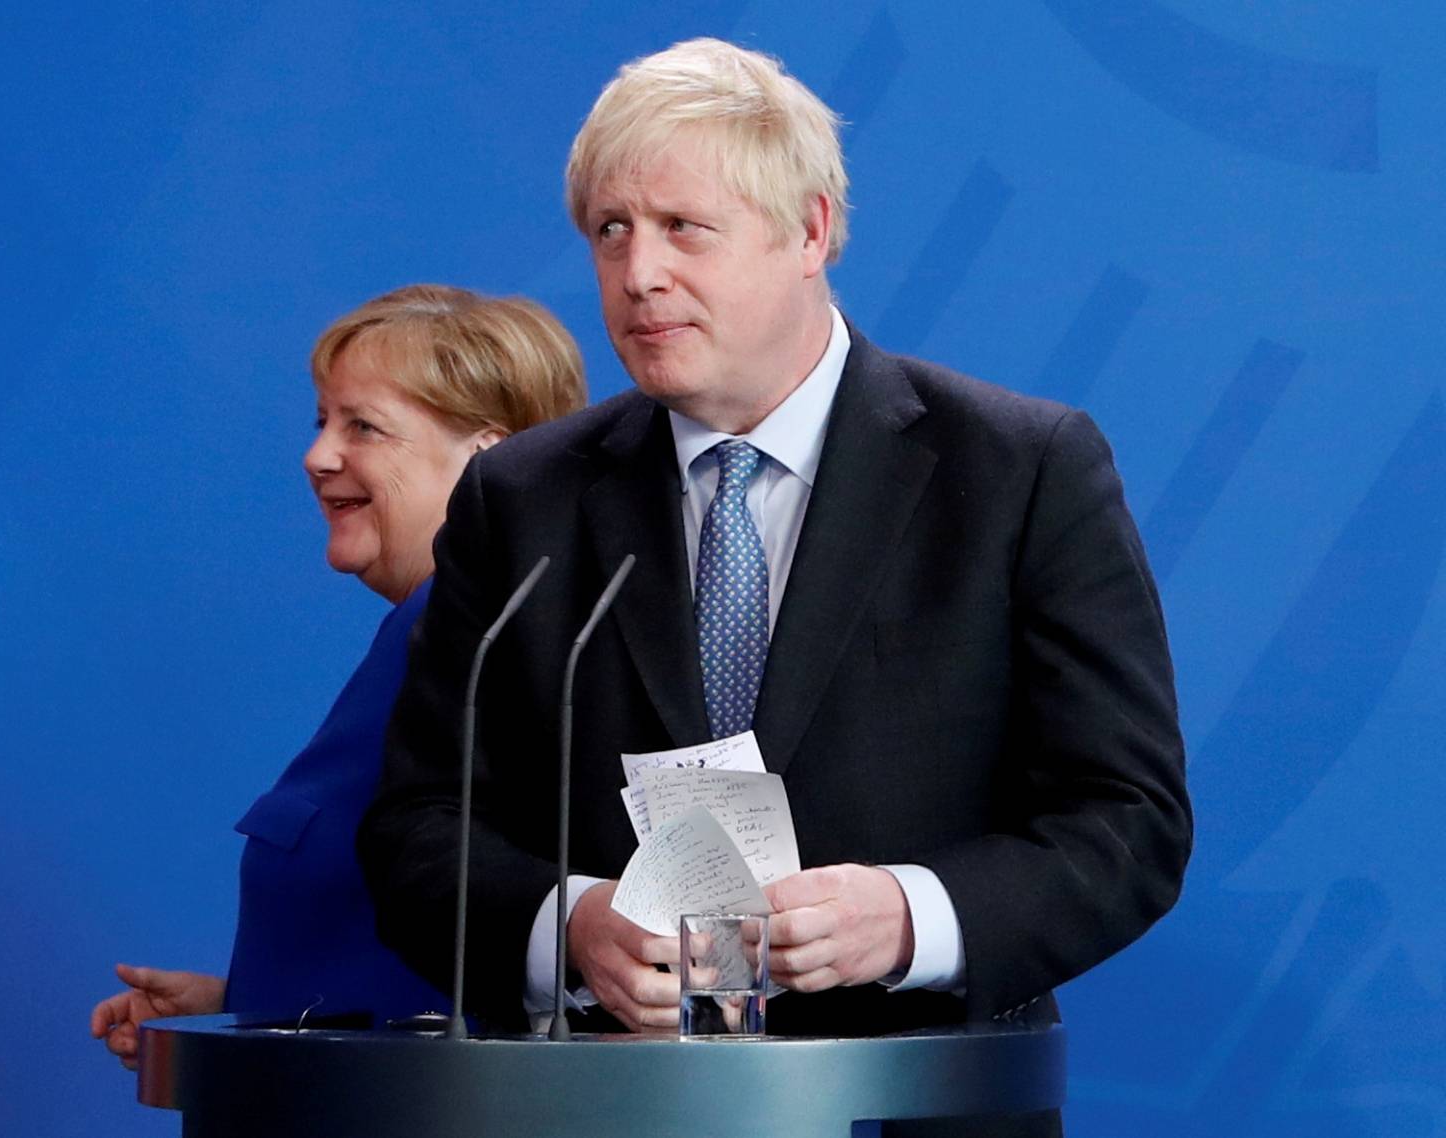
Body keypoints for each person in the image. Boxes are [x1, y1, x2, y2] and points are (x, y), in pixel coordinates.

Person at [360, 39, 1189, 1131]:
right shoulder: (522, 498)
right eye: (611, 231)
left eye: (681, 227)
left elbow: (1126, 820)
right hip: (602, 1104)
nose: (638, 272)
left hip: (907, 1101)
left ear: (810, 231)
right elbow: (420, 826)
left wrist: (907, 915)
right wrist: (569, 927)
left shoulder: (1017, 470)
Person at [88, 285, 586, 1069]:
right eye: (323, 421)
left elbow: (507, 937)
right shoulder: (416, 640)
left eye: (364, 427)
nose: (317, 457)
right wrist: (249, 1006)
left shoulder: (496, 649)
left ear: (491, 460)